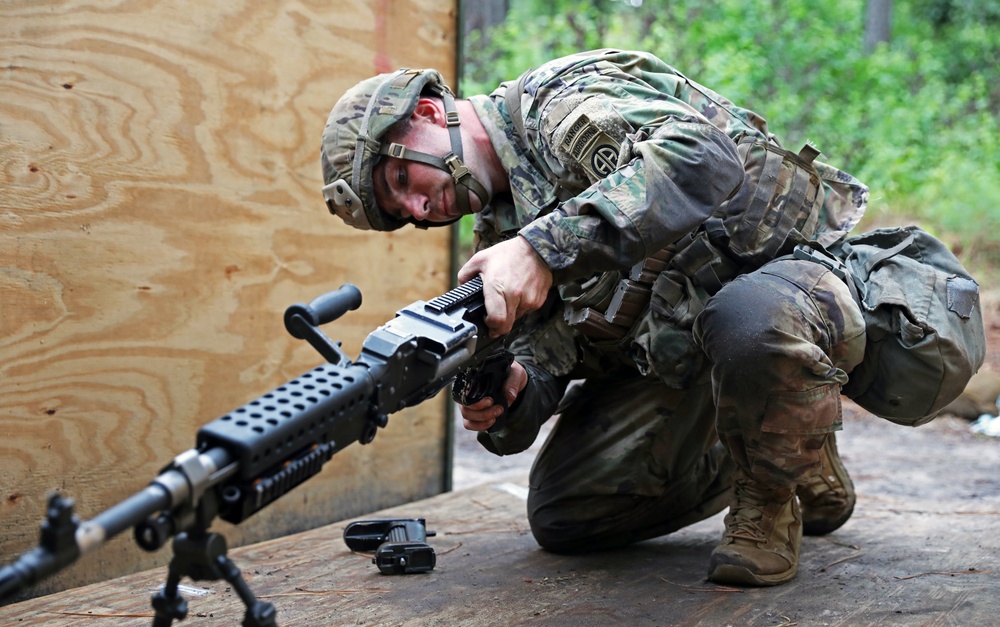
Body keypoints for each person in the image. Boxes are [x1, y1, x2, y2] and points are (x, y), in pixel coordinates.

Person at [319, 49, 871, 587]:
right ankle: (788, 442)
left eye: (398, 181)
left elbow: (705, 160)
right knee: (566, 514)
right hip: (677, 349)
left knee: (747, 320)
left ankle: (777, 461)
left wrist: (541, 249)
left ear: (428, 113)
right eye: (402, 217)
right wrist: (513, 395)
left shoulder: (558, 103)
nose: (418, 210)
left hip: (782, 294)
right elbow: (550, 358)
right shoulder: (498, 232)